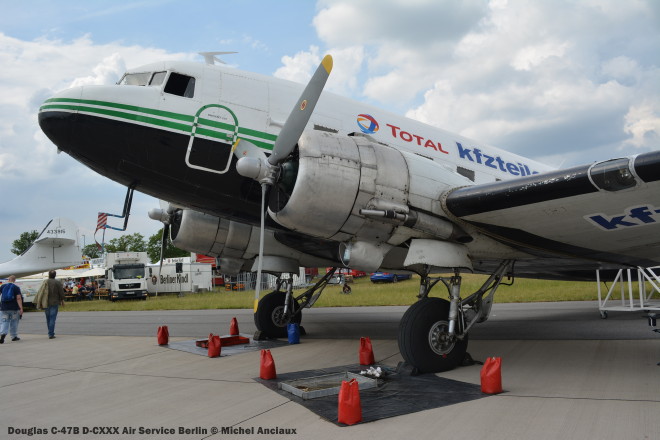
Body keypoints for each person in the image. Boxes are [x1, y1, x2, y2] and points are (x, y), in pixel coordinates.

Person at [39, 271, 65, 339]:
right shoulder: (57, 282)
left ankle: (50, 332)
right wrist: (62, 300)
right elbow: (61, 293)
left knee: (48, 318)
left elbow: (41, 292)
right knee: (52, 318)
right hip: (54, 302)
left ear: (49, 275)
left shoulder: (45, 282)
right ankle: (51, 333)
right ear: (55, 275)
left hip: (46, 302)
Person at [0, 275, 24, 343]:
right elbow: (18, 298)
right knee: (14, 322)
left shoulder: (2, 286)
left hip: (4, 308)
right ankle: (14, 336)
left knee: (4, 321)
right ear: (14, 280)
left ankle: (3, 335)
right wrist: (21, 308)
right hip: (14, 308)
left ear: (8, 280)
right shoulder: (16, 288)